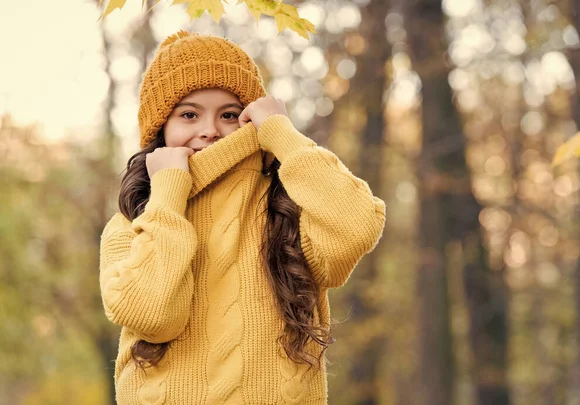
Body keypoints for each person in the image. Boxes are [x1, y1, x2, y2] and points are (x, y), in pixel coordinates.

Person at [99, 30, 385, 404]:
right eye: (188, 114)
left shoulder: (287, 208)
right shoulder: (130, 222)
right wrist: (168, 195)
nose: (209, 131)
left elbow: (359, 223)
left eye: (229, 114)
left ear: (251, 120)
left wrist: (281, 134)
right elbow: (153, 316)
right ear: (160, 128)